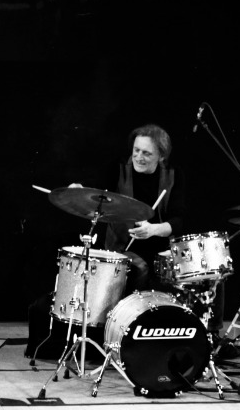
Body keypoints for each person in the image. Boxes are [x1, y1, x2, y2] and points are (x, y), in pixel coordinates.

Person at [25, 123, 188, 359]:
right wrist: (79, 191)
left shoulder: (174, 175)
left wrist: (153, 229)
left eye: (146, 153)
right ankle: (125, 340)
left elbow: (179, 219)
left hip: (161, 247)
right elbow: (97, 196)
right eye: (136, 150)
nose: (138, 157)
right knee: (140, 268)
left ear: (161, 157)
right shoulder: (118, 169)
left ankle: (202, 339)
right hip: (123, 248)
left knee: (208, 275)